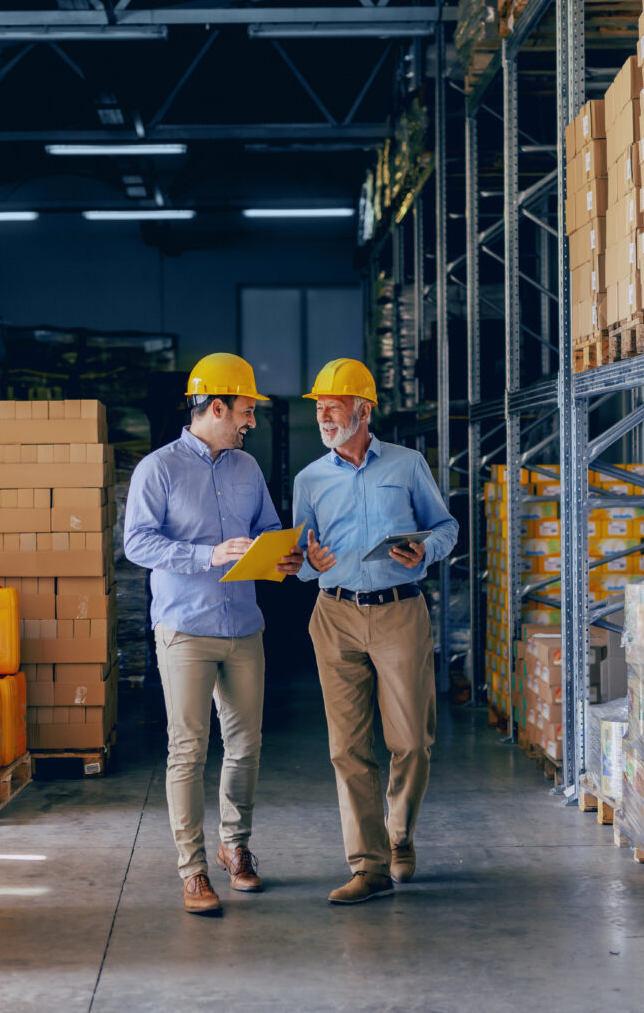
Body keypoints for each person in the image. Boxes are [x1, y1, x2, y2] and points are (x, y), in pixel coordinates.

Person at [124, 352, 304, 916]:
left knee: (245, 745)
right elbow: (137, 543)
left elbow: (268, 530)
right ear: (217, 407)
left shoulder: (247, 470)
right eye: (246, 411)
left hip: (244, 625)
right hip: (185, 627)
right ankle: (193, 869)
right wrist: (207, 554)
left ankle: (235, 847)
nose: (251, 422)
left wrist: (283, 556)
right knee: (188, 749)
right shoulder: (158, 469)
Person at [291, 358, 459, 905]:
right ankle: (369, 865)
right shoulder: (309, 479)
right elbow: (301, 560)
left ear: (363, 410)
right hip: (334, 613)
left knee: (411, 739)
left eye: (333, 405)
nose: (323, 414)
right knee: (347, 747)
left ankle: (400, 833)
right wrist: (308, 562)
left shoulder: (408, 466)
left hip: (398, 611)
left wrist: (424, 551)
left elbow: (446, 526)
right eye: (318, 406)